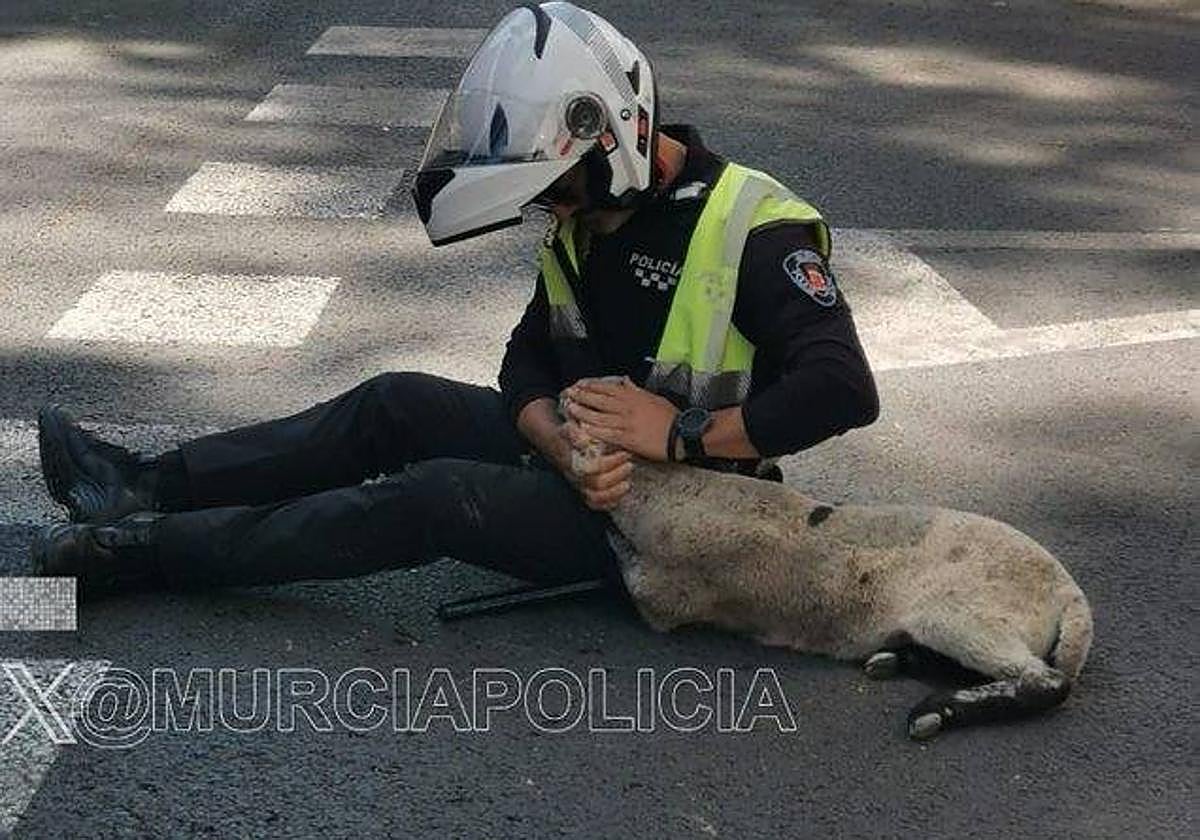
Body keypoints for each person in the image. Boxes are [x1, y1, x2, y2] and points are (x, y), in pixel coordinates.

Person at [31, 2, 879, 599]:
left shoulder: (754, 224)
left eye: (558, 189)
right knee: (394, 401)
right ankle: (143, 486)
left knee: (432, 496)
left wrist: (681, 435)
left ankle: (140, 553)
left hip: (683, 517)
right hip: (589, 468)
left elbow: (843, 388)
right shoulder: (590, 207)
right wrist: (549, 436)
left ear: (611, 134)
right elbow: (527, 356)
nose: (552, 208)